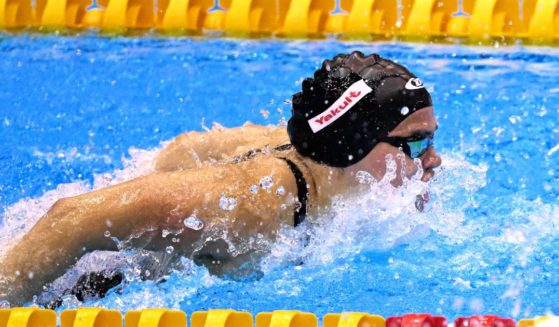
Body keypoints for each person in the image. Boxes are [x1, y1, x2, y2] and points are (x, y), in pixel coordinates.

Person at [0, 51, 441, 306]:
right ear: (353, 146)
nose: (435, 160)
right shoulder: (254, 207)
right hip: (83, 278)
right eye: (418, 143)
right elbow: (72, 217)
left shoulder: (327, 159)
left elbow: (185, 147)